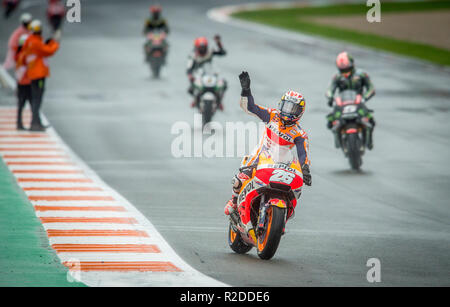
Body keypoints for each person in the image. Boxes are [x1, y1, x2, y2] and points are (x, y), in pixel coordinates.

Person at [224, 71, 312, 239]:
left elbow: (303, 154)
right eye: (286, 106)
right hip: (259, 159)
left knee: (296, 189)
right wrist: (246, 90)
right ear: (281, 105)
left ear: (300, 112)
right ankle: (235, 201)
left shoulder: (300, 133)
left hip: (281, 164)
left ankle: (282, 216)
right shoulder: (272, 115)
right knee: (239, 179)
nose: (288, 111)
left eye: (293, 109)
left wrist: (305, 169)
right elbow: (251, 108)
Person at [325, 51, 376, 149]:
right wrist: (330, 97)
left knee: (370, 120)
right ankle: (338, 138)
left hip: (358, 102)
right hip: (343, 103)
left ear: (352, 65)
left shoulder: (362, 75)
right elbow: (330, 89)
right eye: (342, 70)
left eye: (347, 69)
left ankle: (369, 142)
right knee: (330, 121)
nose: (345, 72)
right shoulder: (337, 77)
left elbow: (371, 88)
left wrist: (365, 97)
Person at [18, 20, 60, 131]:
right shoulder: (35, 42)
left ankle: (36, 121)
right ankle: (34, 123)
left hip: (33, 73)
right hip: (38, 74)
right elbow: (48, 51)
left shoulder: (30, 41)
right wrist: (55, 42)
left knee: (35, 98)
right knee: (37, 99)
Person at [186, 35, 226, 109]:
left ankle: (219, 101)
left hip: (210, 72)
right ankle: (195, 99)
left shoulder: (210, 52)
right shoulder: (193, 55)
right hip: (198, 74)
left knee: (224, 84)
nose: (202, 49)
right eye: (200, 47)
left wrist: (218, 43)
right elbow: (189, 68)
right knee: (190, 89)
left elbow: (222, 52)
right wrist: (190, 75)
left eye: (203, 47)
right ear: (196, 47)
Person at [14, 34, 31, 130]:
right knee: (29, 103)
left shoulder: (18, 54)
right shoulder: (24, 55)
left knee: (22, 104)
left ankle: (20, 123)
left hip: (21, 82)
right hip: (26, 82)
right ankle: (20, 123)